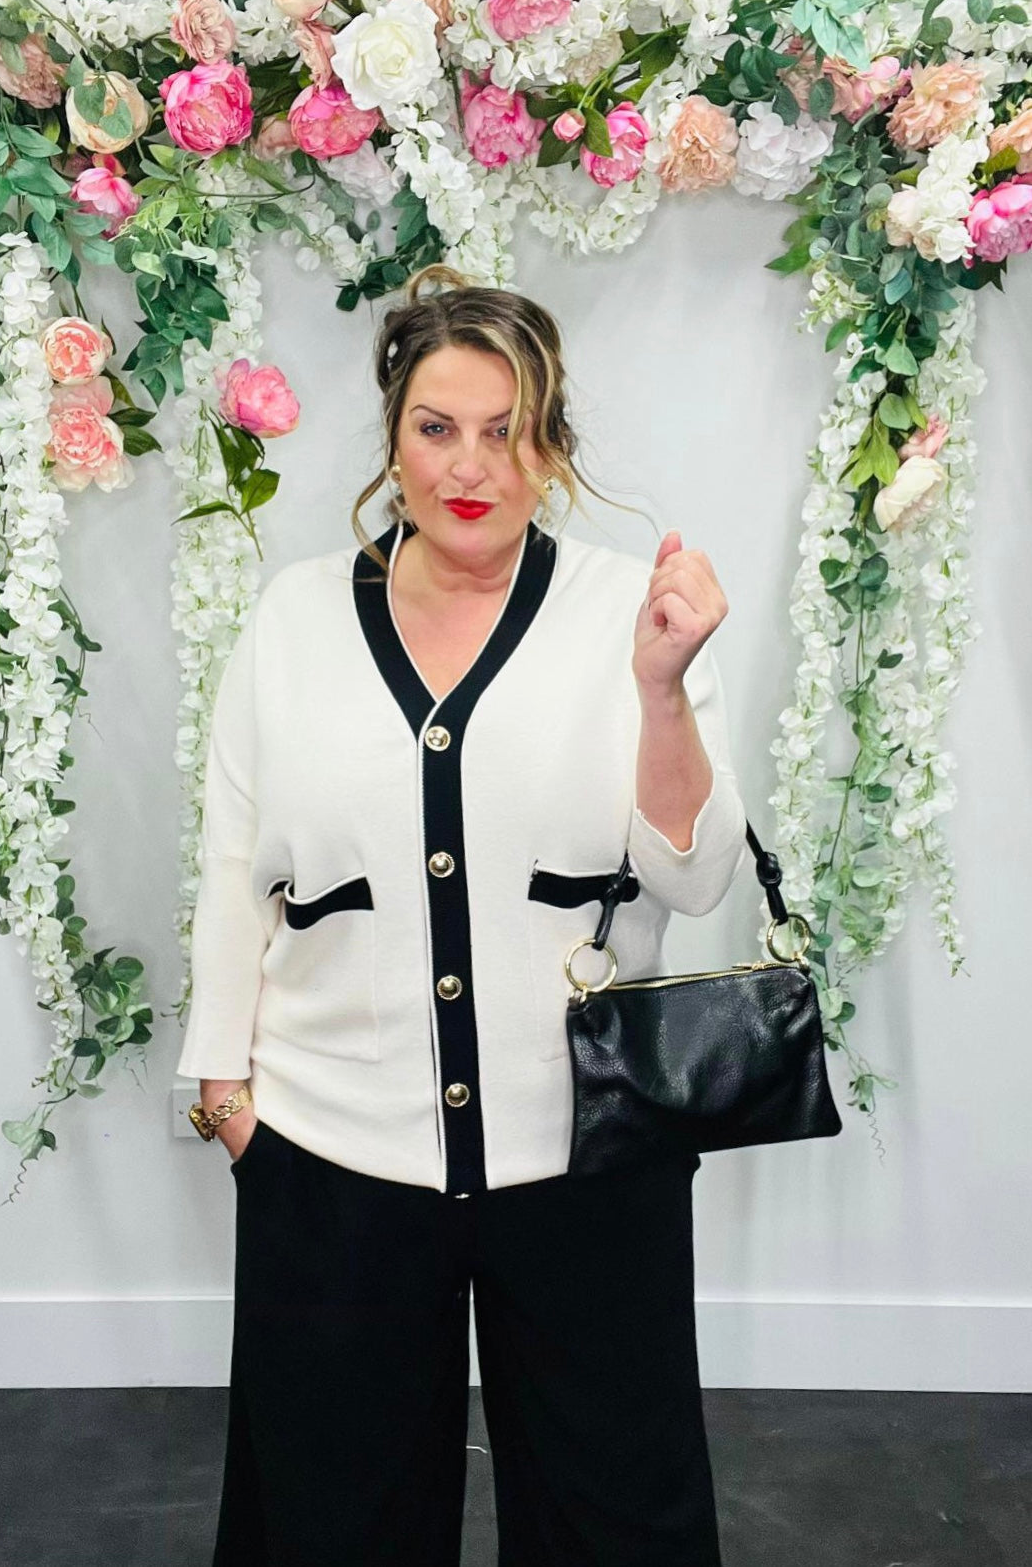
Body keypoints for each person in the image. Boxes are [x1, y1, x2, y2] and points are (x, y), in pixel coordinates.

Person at [177, 262, 748, 1566]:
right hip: (332, 1147)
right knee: (331, 1519)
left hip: (589, 1151)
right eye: (437, 427)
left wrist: (662, 691)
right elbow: (233, 860)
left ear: (553, 446)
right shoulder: (295, 617)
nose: (470, 465)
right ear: (393, 439)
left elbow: (694, 878)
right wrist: (226, 1095)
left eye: (508, 429)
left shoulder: (628, 611)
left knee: (617, 1512)